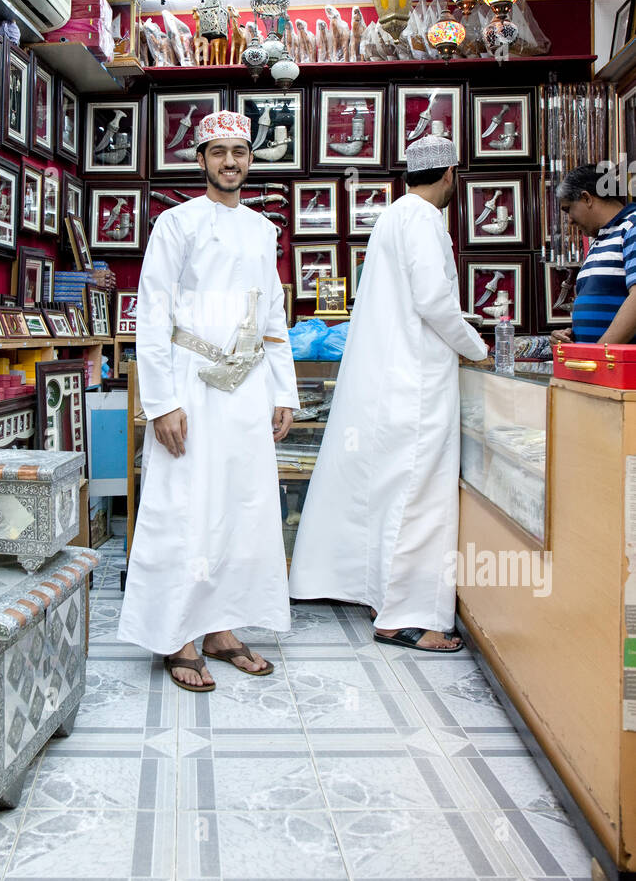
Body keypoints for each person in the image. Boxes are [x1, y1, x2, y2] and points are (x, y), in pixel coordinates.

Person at [117, 110, 300, 690]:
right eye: (217, 152)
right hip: (190, 386)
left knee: (241, 507)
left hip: (246, 388)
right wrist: (161, 402)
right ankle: (177, 635)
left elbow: (272, 316)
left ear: (251, 160)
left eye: (239, 153)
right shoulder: (176, 224)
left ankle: (221, 629)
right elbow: (151, 315)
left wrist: (284, 390)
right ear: (200, 161)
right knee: (184, 506)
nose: (229, 162)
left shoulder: (262, 229)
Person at [289, 136, 488, 653]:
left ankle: (384, 596)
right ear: (450, 175)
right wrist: (478, 349)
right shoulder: (425, 221)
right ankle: (405, 617)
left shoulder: (393, 216)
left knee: (389, 491)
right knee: (417, 497)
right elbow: (435, 303)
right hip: (416, 382)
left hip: (390, 381)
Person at [550, 163, 636, 346]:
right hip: (598, 365)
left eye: (568, 209)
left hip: (618, 367)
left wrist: (598, 354)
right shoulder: (600, 239)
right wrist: (571, 335)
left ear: (586, 198)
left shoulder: (631, 226)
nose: (570, 220)